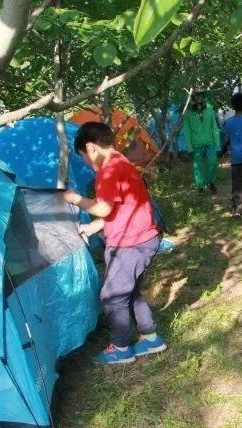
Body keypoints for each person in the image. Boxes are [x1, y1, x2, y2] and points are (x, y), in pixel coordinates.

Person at [63, 122, 166, 365]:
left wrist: (74, 198)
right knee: (129, 292)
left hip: (130, 245)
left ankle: (121, 347)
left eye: (83, 157)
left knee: (112, 295)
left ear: (91, 147)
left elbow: (103, 207)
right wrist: (92, 227)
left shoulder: (108, 171)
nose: (86, 163)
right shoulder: (121, 161)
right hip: (143, 239)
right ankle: (150, 338)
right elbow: (116, 210)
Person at [182, 91, 219, 193]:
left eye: (201, 95)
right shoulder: (189, 112)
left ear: (203, 96)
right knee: (197, 166)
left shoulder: (209, 108)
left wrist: (218, 143)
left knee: (213, 162)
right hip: (196, 143)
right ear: (193, 97)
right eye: (197, 95)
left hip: (210, 141)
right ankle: (200, 187)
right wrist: (189, 147)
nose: (199, 97)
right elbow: (187, 130)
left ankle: (208, 181)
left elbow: (214, 126)